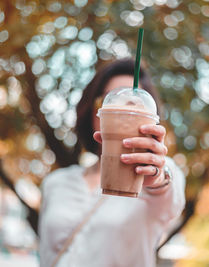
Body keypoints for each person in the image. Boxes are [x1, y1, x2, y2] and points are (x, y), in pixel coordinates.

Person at [39, 59, 186, 267]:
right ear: (93, 110)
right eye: (110, 101)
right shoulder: (56, 183)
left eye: (133, 104)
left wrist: (158, 177)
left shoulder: (158, 174)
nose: (122, 112)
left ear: (150, 119)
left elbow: (169, 198)